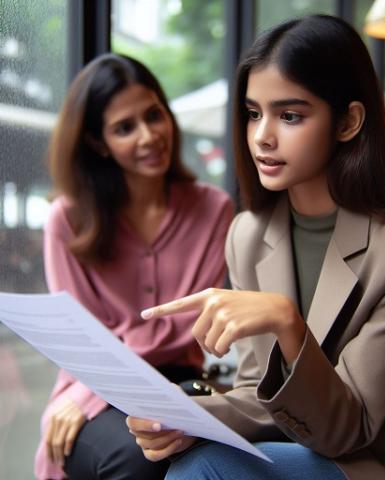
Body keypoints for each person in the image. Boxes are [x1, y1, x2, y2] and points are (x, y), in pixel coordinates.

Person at [126, 14, 385, 480]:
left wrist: (288, 324)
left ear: (348, 121)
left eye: (290, 115)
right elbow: (256, 390)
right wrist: (190, 417)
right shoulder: (247, 234)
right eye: (253, 113)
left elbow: (351, 427)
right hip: (305, 447)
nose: (262, 136)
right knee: (183, 455)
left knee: (206, 468)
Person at [34, 53, 234, 480]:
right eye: (125, 128)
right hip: (88, 390)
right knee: (133, 457)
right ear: (97, 143)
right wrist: (87, 394)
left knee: (212, 455)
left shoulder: (214, 209)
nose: (149, 136)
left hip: (177, 382)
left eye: (153, 115)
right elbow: (78, 339)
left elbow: (186, 325)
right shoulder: (66, 220)